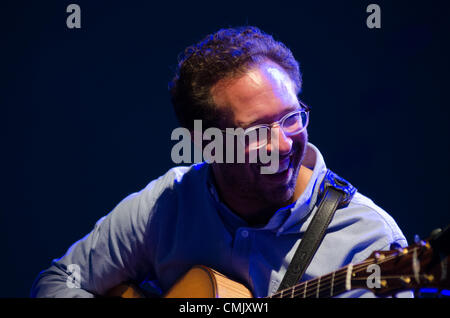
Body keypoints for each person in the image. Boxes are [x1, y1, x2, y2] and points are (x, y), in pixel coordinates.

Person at [30, 26, 411, 298]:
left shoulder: (368, 241)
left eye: (291, 118)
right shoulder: (169, 203)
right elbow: (58, 280)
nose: (282, 144)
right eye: (256, 131)